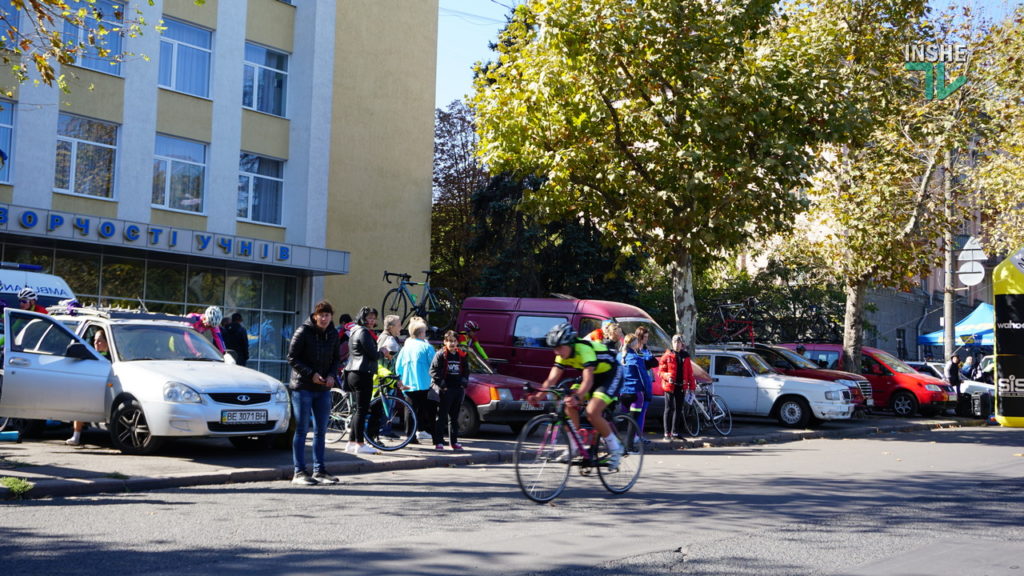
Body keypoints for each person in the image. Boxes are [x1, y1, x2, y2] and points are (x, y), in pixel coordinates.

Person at [528, 323, 625, 469]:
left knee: (592, 411)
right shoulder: (562, 354)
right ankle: (575, 447)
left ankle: (616, 448)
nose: (557, 352)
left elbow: (588, 380)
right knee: (568, 403)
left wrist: (578, 397)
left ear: (570, 343)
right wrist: (538, 396)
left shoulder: (583, 350)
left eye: (559, 347)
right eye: (554, 348)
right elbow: (551, 379)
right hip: (593, 375)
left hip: (611, 374)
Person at [286, 299, 340, 486]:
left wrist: (332, 375)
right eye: (321, 315)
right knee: (302, 429)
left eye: (327, 315)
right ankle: (299, 472)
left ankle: (320, 471)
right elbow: (292, 357)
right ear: (315, 316)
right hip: (303, 387)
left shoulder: (333, 333)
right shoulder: (303, 331)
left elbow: (336, 359)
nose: (324, 318)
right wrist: (311, 374)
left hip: (323, 388)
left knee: (321, 431)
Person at [394, 316, 438, 444]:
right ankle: (435, 437)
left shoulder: (405, 348)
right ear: (421, 333)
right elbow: (434, 365)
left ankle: (410, 436)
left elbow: (398, 366)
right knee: (429, 411)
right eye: (424, 331)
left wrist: (400, 380)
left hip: (408, 384)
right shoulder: (426, 347)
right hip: (425, 384)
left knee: (410, 410)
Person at [343, 306, 380, 455]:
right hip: (362, 373)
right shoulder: (363, 332)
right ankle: (360, 443)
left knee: (358, 410)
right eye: (369, 317)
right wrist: (382, 352)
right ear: (363, 318)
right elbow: (372, 354)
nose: (372, 320)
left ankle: (351, 443)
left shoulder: (354, 331)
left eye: (374, 317)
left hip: (353, 371)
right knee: (361, 410)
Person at [66, 328, 111, 446]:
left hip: (106, 389)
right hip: (92, 389)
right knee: (81, 401)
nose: (96, 343)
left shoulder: (111, 357)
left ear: (107, 342)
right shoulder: (91, 355)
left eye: (99, 341)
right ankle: (76, 436)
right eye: (95, 340)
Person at [430, 330, 469, 451]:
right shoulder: (441, 354)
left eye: (454, 341)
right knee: (441, 417)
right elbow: (433, 371)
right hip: (445, 390)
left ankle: (454, 442)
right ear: (445, 342)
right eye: (449, 341)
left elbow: (466, 371)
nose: (452, 344)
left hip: (457, 389)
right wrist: (443, 386)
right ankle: (439, 442)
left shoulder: (461, 355)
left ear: (457, 342)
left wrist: (463, 383)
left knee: (454, 418)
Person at [659, 334, 697, 440]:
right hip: (670, 386)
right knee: (668, 409)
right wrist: (667, 376)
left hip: (681, 386)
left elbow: (690, 372)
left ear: (682, 344)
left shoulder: (685, 356)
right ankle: (667, 433)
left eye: (679, 342)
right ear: (672, 343)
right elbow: (660, 372)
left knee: (679, 409)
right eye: (675, 342)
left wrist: (692, 386)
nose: (677, 344)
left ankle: (675, 432)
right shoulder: (667, 355)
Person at [618, 334, 650, 439]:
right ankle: (630, 446)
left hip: (622, 393)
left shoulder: (619, 357)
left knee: (620, 420)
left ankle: (611, 440)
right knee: (633, 422)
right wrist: (648, 393)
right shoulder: (637, 358)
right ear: (635, 344)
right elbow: (644, 377)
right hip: (636, 393)